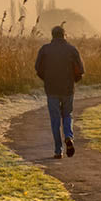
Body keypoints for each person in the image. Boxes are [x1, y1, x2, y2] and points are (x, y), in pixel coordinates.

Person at [35, 25, 84, 159]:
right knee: (67, 114)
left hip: (51, 89)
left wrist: (46, 79)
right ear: (64, 35)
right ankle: (68, 136)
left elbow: (37, 68)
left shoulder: (45, 50)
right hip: (68, 89)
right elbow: (80, 70)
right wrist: (74, 80)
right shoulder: (72, 50)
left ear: (52, 35)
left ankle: (58, 150)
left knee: (55, 120)